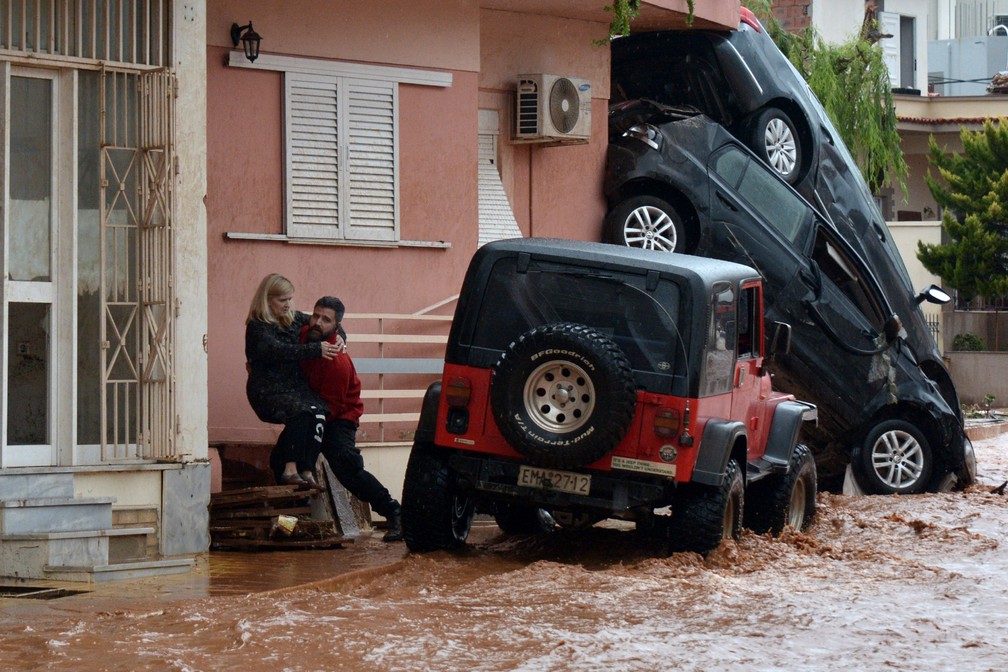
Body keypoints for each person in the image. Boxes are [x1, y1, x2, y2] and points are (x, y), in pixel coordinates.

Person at [300, 296, 403, 542]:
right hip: (310, 408)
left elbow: (332, 407)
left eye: (326, 320)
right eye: (315, 315)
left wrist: (312, 433)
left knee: (348, 469)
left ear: (336, 326)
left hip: (340, 415)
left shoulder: (338, 363)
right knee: (287, 456)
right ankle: (293, 523)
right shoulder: (305, 333)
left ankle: (395, 512)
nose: (317, 322)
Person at [245, 273, 344, 485]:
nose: (288, 304)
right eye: (283, 300)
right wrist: (314, 349)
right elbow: (278, 350)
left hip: (293, 388)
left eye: (290, 299)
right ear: (267, 299)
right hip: (267, 390)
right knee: (300, 411)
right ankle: (289, 469)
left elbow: (322, 323)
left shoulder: (293, 318)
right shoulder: (257, 327)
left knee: (319, 411)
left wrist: (341, 336)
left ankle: (307, 469)